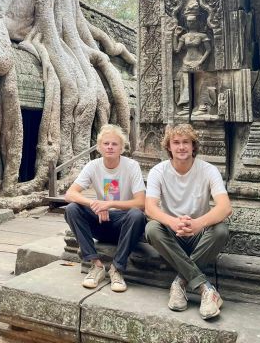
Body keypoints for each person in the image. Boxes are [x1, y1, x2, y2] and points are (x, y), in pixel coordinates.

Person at [145, 123, 231, 320]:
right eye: (176, 142)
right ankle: (205, 288)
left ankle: (180, 282)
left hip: (199, 233)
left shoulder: (208, 170)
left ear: (194, 146)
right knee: (152, 228)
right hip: (171, 233)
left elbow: (225, 207)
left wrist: (198, 224)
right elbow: (149, 208)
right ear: (169, 147)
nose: (181, 147)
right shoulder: (158, 171)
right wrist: (173, 222)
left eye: (186, 142)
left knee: (220, 230)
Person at [64, 124, 146, 292]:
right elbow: (70, 194)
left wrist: (109, 204)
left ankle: (117, 268)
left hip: (124, 224)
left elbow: (141, 202)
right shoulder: (93, 166)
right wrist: (95, 205)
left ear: (122, 148)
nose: (110, 147)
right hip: (101, 221)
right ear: (99, 147)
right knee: (72, 209)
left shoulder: (131, 166)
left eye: (114, 144)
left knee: (137, 215)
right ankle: (96, 265)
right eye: (106, 143)